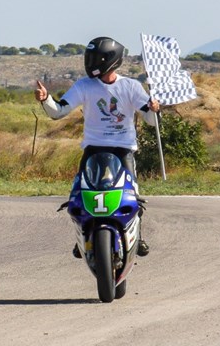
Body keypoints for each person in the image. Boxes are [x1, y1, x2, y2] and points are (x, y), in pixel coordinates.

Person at [34, 36, 160, 256]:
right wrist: (46, 99)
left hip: (123, 151)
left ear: (111, 60)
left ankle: (137, 237)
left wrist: (154, 109)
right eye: (89, 57)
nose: (91, 62)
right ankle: (83, 234)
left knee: (133, 196)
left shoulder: (130, 86)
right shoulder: (84, 86)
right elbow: (59, 110)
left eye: (96, 58)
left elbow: (150, 119)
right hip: (93, 150)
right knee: (81, 194)